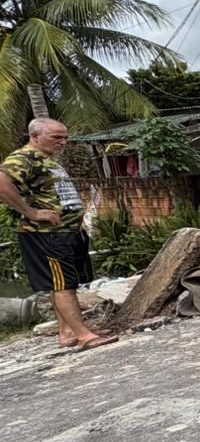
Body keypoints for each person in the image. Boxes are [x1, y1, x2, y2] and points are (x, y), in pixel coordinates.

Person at [0, 118, 117, 350]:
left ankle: (68, 333)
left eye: (65, 138)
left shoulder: (46, 159)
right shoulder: (25, 157)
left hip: (66, 232)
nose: (63, 142)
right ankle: (85, 336)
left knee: (64, 283)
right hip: (47, 234)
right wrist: (30, 212)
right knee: (62, 284)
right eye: (56, 137)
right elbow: (2, 181)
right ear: (35, 136)